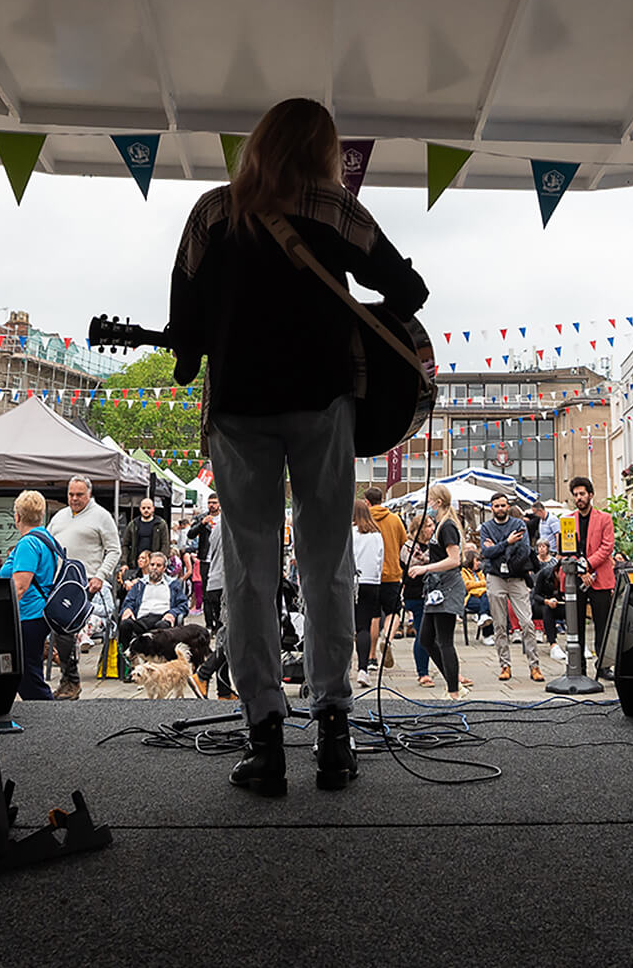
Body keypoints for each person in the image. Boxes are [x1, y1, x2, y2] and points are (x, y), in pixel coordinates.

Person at [167, 97, 428, 796]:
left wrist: (204, 345)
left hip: (240, 410)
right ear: (322, 149)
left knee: (248, 567)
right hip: (323, 402)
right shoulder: (334, 209)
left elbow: (185, 337)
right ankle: (335, 734)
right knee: (326, 559)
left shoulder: (212, 213)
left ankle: (263, 741)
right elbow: (410, 289)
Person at [46, 476, 121, 700]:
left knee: (66, 630)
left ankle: (72, 681)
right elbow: (48, 544)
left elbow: (114, 550)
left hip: (85, 582)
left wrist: (100, 576)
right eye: (71, 494)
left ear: (89, 493)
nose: (75, 499)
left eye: (79, 494)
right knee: (57, 630)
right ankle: (68, 680)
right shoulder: (60, 516)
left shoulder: (101, 516)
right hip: (60, 581)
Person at [0, 490, 59, 701]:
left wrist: (0, 611)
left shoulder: (28, 543)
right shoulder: (46, 538)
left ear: (17, 516)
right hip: (38, 614)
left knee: (28, 675)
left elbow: (20, 586)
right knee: (26, 670)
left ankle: (47, 714)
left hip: (27, 615)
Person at [408, 484, 465, 701]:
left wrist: (425, 568)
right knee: (425, 638)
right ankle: (452, 680)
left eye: (430, 500)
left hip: (447, 588)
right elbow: (443, 556)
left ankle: (454, 691)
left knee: (445, 640)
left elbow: (454, 559)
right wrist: (425, 560)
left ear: (438, 502)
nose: (427, 505)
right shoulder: (440, 525)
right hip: (437, 588)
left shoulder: (447, 526)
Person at [479, 492, 542, 683]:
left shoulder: (518, 524)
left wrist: (497, 548)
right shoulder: (486, 527)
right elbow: (486, 552)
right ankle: (504, 665)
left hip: (516, 577)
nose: (500, 509)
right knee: (499, 625)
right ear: (492, 508)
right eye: (496, 506)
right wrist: (507, 543)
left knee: (527, 623)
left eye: (503, 505)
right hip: (496, 577)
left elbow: (522, 551)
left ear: (508, 506)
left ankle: (535, 665)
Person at [117, 551, 190, 682]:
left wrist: (172, 613)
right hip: (142, 618)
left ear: (164, 568)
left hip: (162, 618)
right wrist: (127, 609)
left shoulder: (173, 585)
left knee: (162, 629)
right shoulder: (139, 585)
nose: (154, 568)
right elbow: (128, 601)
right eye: (152, 565)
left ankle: (162, 670)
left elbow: (183, 604)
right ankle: (130, 667)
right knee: (125, 625)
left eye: (158, 565)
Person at [570, 477, 615, 679]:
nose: (579, 498)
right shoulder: (569, 520)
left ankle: (603, 666)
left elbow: (607, 547)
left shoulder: (604, 518)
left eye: (582, 494)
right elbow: (566, 549)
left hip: (600, 578)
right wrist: (581, 571)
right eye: (576, 494)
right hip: (577, 580)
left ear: (590, 495)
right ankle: (578, 665)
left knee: (602, 623)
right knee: (576, 623)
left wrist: (587, 565)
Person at [365, 487, 408, 670]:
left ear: (367, 502)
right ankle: (387, 638)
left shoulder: (364, 520)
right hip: (392, 573)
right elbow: (402, 542)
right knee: (393, 612)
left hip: (371, 575)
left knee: (373, 616)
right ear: (381, 500)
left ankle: (372, 657)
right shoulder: (395, 519)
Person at [350, 499, 385, 687]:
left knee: (346, 626)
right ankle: (363, 669)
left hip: (351, 581)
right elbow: (380, 560)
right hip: (371, 582)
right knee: (363, 626)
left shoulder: (349, 533)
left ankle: (344, 666)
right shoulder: (376, 534)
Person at [402, 514, 433, 688]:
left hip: (431, 594)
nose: (432, 528)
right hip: (417, 595)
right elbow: (411, 568)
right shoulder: (409, 547)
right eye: (428, 526)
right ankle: (423, 673)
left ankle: (450, 672)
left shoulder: (431, 546)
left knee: (433, 634)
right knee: (423, 633)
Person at [195, 494, 223, 630]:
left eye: (214, 502)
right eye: (209, 502)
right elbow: (190, 534)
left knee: (219, 594)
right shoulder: (202, 518)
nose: (212, 505)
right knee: (207, 594)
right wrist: (202, 524)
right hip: (206, 559)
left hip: (220, 561)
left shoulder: (225, 519)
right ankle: (209, 624)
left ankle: (219, 623)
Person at [122, 496, 171, 570]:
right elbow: (125, 545)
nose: (146, 510)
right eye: (143, 508)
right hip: (135, 564)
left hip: (154, 565)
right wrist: (124, 563)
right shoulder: (133, 524)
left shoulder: (161, 524)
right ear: (140, 509)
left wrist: (160, 562)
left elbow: (165, 544)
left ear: (153, 508)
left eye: (148, 508)